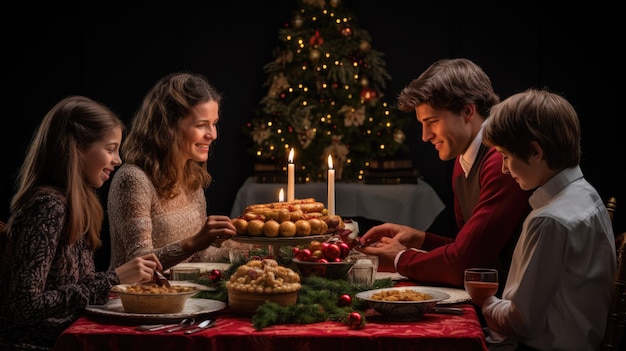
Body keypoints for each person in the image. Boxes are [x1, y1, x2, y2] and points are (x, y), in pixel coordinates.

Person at [0, 96, 163, 351]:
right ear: (75, 148)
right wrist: (113, 278)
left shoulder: (74, 205)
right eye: (110, 149)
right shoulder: (47, 207)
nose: (118, 160)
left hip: (72, 338)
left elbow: (71, 287)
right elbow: (23, 305)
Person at [357, 58, 532, 290]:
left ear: (468, 111)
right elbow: (469, 247)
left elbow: (465, 263)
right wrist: (421, 239)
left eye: (432, 122)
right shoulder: (465, 158)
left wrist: (400, 259)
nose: (425, 136)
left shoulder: (500, 161)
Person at [477, 88, 615, 350]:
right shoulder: (587, 194)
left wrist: (485, 302)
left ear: (534, 152)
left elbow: (522, 323)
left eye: (505, 156)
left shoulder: (550, 220)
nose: (504, 169)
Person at [107, 72, 239, 271]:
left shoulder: (190, 175)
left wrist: (256, 246)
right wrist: (195, 241)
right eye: (202, 125)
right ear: (169, 125)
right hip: (135, 298)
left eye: (214, 123)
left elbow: (198, 257)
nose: (213, 134)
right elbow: (140, 263)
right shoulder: (133, 179)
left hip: (184, 295)